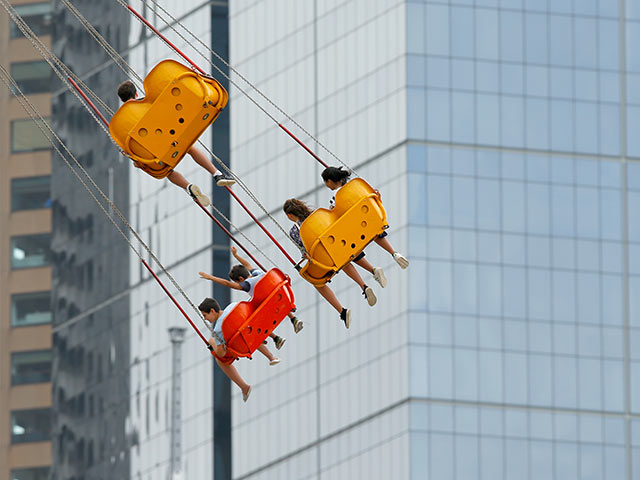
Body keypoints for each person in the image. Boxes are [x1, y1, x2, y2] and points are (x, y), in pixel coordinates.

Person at [116, 80, 234, 207]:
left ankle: (188, 186)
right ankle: (217, 174)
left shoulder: (123, 121)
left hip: (155, 150)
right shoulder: (148, 102)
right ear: (136, 93)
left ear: (122, 100)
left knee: (166, 171)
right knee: (189, 148)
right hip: (170, 137)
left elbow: (129, 148)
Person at [199, 246, 303, 346]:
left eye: (237, 282)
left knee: (252, 317)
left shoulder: (247, 284)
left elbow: (227, 284)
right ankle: (294, 319)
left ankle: (276, 338)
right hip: (281, 295)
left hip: (266, 306)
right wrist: (236, 256)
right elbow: (247, 264)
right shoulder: (257, 273)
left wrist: (211, 277)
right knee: (274, 298)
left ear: (240, 279)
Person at [321, 166, 409, 270]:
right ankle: (394, 253)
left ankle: (372, 270)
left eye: (326, 182)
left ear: (330, 181)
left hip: (354, 228)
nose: (326, 185)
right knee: (375, 233)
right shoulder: (354, 187)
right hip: (366, 219)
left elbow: (334, 214)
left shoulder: (336, 196)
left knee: (349, 249)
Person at [200, 297, 281, 402]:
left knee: (220, 360)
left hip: (241, 345)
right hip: (250, 331)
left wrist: (212, 342)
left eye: (205, 316)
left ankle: (244, 387)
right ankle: (271, 356)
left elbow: (220, 353)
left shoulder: (218, 329)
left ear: (212, 311)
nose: (205, 319)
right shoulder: (232, 306)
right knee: (247, 331)